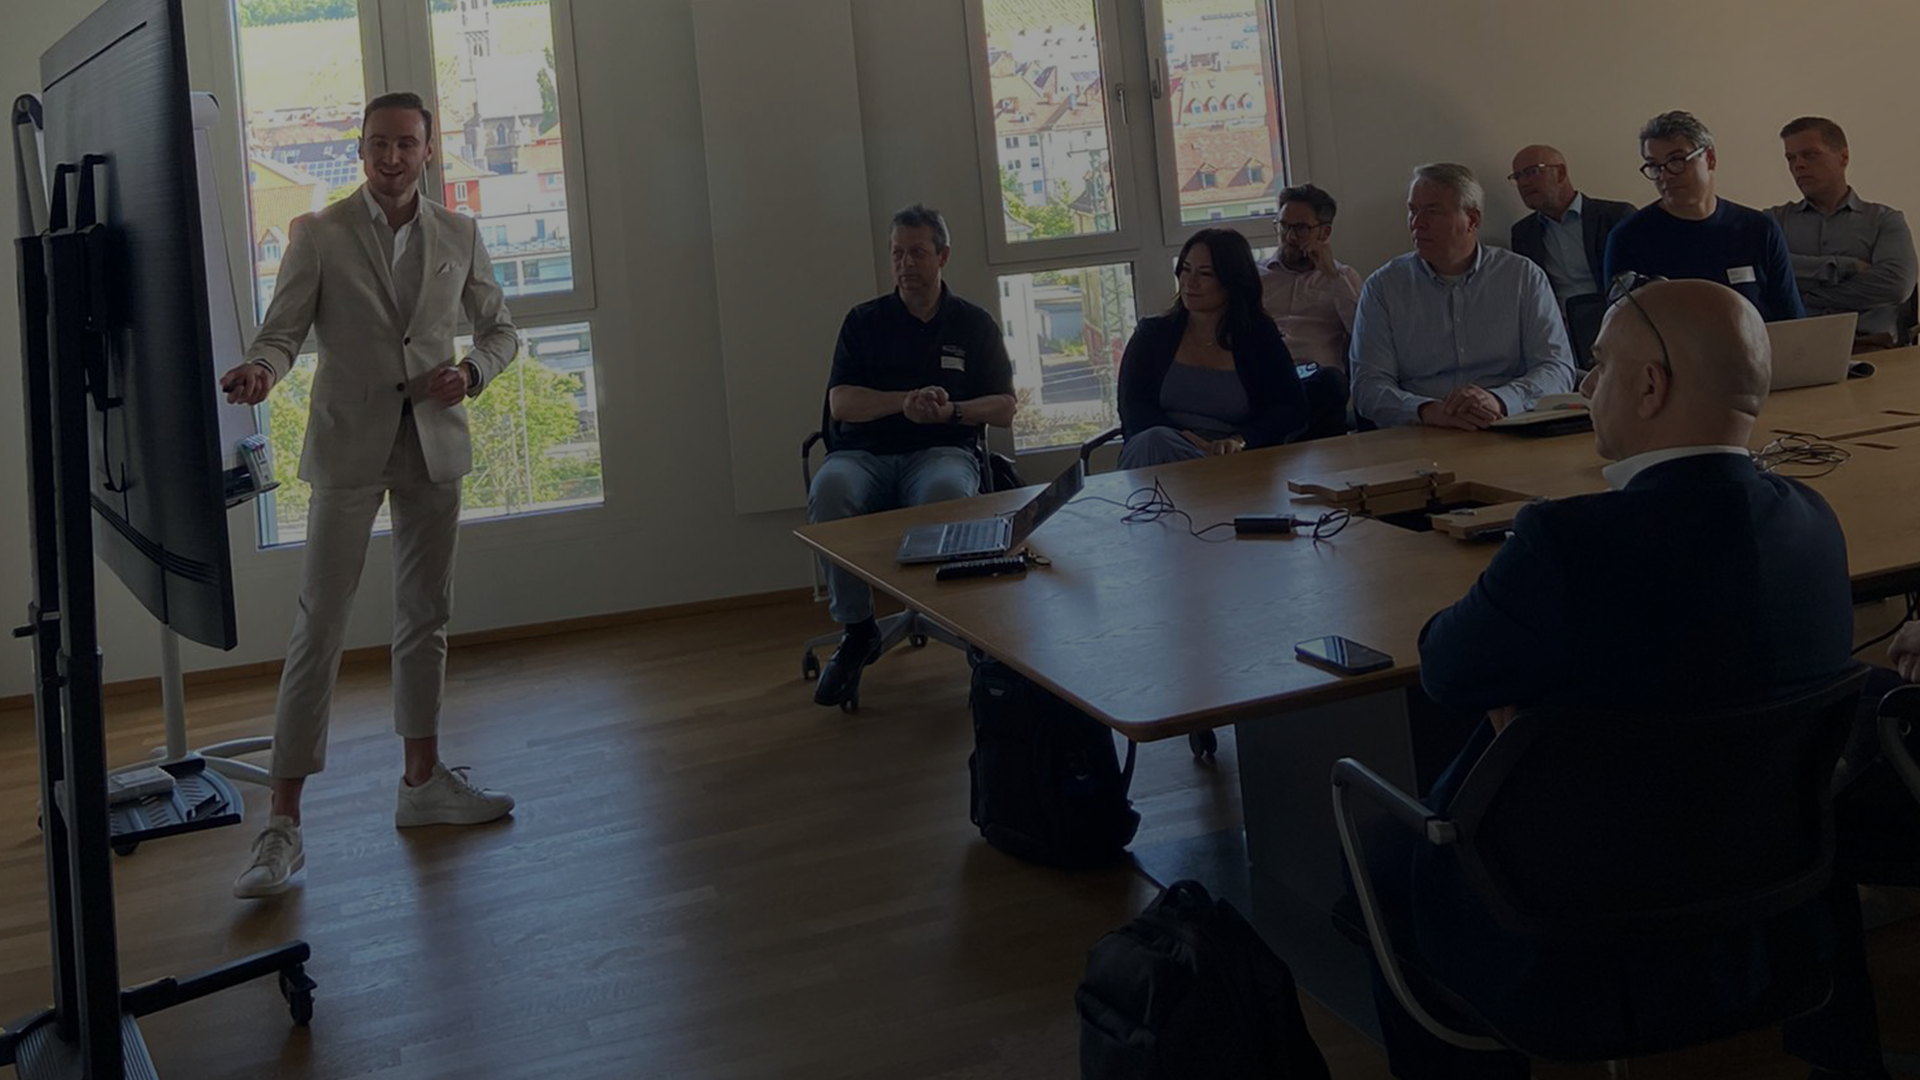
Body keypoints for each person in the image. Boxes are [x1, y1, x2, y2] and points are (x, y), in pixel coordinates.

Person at [1382, 279, 1885, 1080]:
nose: (1585, 386)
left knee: (1388, 841)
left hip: (1567, 908)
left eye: (1600, 365)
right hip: (1766, 892)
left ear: (1651, 385)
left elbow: (1444, 668)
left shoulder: (1565, 543)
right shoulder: (1813, 524)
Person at [220, 92, 522, 899]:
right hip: (348, 447)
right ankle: (282, 824)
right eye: (377, 143)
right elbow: (282, 332)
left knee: (426, 615)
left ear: (428, 153)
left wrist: (474, 374)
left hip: (432, 444)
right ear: (359, 151)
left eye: (406, 144)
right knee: (319, 623)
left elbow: (501, 330)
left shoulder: (460, 233)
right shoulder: (318, 234)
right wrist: (261, 372)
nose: (391, 157)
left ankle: (422, 783)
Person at [806, 205, 1016, 706]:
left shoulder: (973, 323)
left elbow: (1005, 407)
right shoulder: (864, 321)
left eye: (917, 253)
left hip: (942, 450)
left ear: (942, 256)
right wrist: (902, 402)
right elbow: (841, 402)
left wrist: (951, 411)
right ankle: (857, 632)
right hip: (865, 455)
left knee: (946, 491)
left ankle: (968, 630)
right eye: (897, 254)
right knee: (830, 490)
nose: (905, 264)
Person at [1349, 163, 1574, 429]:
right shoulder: (1384, 287)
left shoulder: (1522, 277)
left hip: (1508, 423)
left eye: (1432, 211)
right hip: (1421, 430)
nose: (1417, 223)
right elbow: (1368, 385)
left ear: (1473, 220)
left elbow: (1556, 368)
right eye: (1413, 210)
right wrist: (1428, 411)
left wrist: (1499, 400)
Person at [1116, 227, 1306, 469]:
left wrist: (1241, 440)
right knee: (1154, 440)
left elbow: (1292, 408)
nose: (1190, 282)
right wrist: (1185, 437)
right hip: (1159, 454)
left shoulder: (1258, 337)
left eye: (1205, 274)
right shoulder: (1152, 335)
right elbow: (1132, 407)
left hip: (1230, 459)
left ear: (1232, 281)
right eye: (1185, 269)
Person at [1604, 110, 1804, 322]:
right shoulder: (1629, 238)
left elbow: (1792, 320)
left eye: (1677, 160)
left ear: (1709, 159)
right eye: (1654, 166)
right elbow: (1622, 329)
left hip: (1758, 350)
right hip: (1670, 354)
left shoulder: (1759, 229)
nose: (1665, 176)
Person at [1766, 116, 1917, 350]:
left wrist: (1805, 298)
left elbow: (1896, 285)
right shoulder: (1773, 222)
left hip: (1872, 348)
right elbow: (1763, 273)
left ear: (1843, 157)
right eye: (1791, 158)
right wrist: (1843, 266)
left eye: (1810, 155)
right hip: (1799, 349)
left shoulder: (1884, 220)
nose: (1798, 165)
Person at [1506, 144, 1635, 366]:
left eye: (1532, 172)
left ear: (1561, 173)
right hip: (1561, 330)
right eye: (1517, 177)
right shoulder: (1523, 233)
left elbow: (1636, 283)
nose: (1523, 183)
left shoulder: (1615, 216)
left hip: (1617, 320)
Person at [1258, 183, 1363, 372]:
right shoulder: (1256, 276)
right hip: (1264, 374)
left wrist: (1332, 275)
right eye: (1283, 226)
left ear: (1325, 232)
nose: (1289, 236)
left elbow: (1364, 335)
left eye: (1301, 228)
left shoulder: (1343, 278)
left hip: (1316, 379)